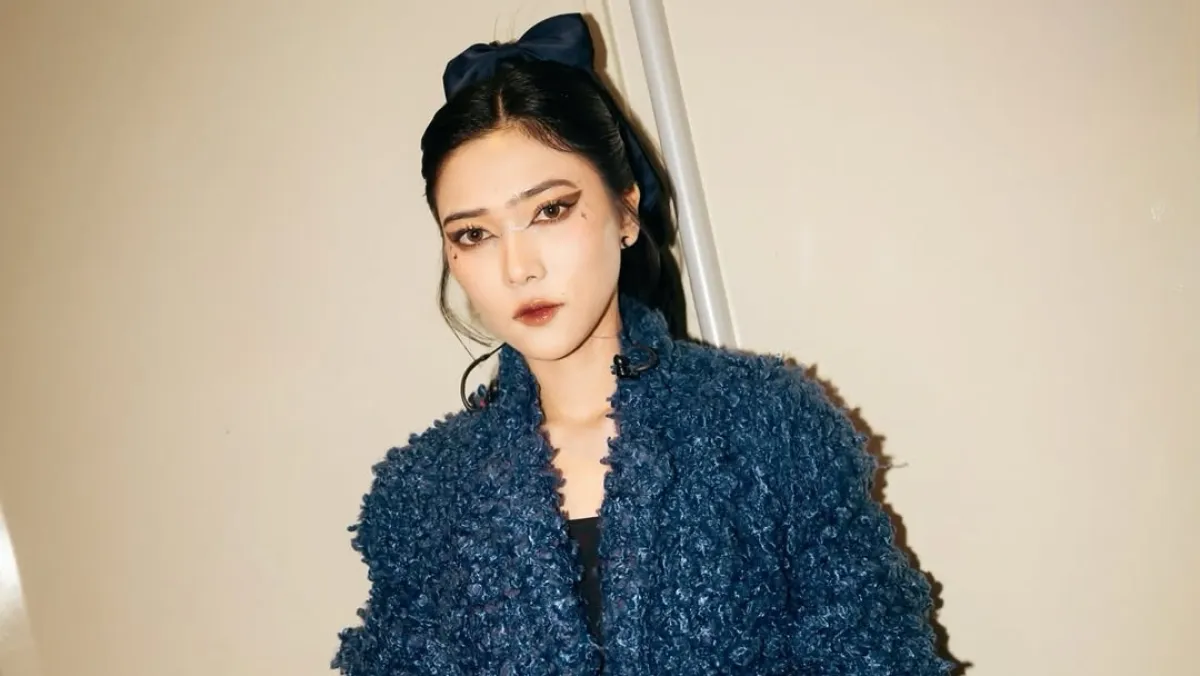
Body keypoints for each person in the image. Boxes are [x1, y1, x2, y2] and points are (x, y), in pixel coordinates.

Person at [332, 12, 950, 675]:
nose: (518, 268)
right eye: (474, 234)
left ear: (625, 212)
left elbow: (880, 654)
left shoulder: (769, 422)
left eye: (550, 210)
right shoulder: (424, 490)